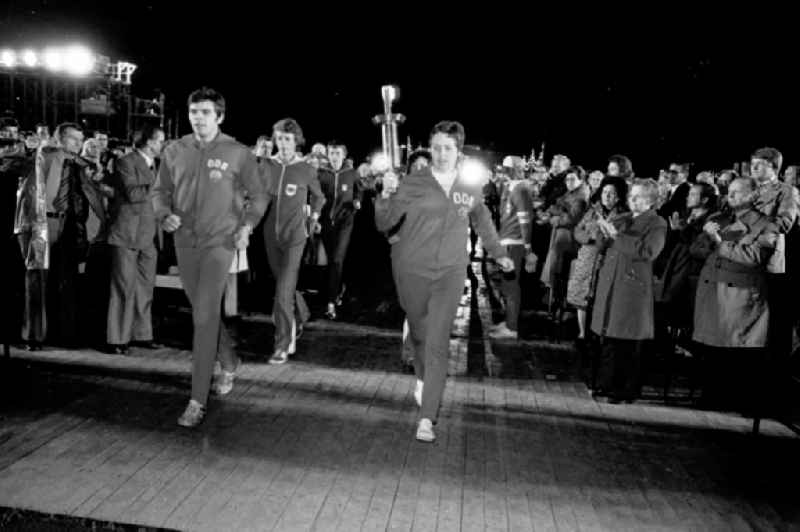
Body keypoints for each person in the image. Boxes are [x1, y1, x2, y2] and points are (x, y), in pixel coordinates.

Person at [376, 121, 513, 442]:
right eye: (436, 147)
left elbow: (482, 219)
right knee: (421, 335)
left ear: (458, 151)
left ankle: (427, 417)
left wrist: (497, 251)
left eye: (447, 148)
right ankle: (424, 379)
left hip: (450, 272)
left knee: (437, 341)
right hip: (411, 269)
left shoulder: (468, 186)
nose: (440, 153)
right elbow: (384, 222)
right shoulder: (413, 182)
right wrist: (385, 194)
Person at [153, 87, 268, 427]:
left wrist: (246, 225)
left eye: (205, 112)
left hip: (221, 244)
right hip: (185, 243)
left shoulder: (238, 152)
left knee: (203, 318)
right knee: (203, 311)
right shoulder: (175, 150)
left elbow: (259, 196)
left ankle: (196, 400)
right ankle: (229, 360)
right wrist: (164, 215)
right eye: (193, 112)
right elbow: (159, 192)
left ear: (219, 116)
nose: (198, 117)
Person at [692, 177, 777, 410]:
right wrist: (708, 240)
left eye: (738, 192)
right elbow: (696, 249)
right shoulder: (718, 219)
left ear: (753, 195)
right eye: (730, 192)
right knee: (712, 348)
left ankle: (731, 399)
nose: (731, 196)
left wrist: (719, 243)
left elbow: (754, 257)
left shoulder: (765, 225)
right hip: (713, 292)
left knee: (734, 349)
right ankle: (711, 396)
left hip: (739, 296)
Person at [591, 178, 667, 403]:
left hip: (632, 287)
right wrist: (602, 234)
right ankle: (606, 383)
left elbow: (648, 251)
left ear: (651, 201)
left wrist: (616, 236)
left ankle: (625, 389)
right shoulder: (622, 218)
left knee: (628, 341)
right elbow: (602, 248)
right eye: (631, 195)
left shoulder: (657, 223)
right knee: (610, 337)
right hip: (612, 283)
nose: (632, 200)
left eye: (638, 197)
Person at [261, 118, 324, 365]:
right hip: (270, 235)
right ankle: (302, 313)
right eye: (279, 139)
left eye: (288, 139)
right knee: (282, 287)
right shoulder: (267, 165)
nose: (283, 144)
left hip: (296, 236)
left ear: (296, 141)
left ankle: (283, 344)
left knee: (283, 292)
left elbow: (318, 198)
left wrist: (312, 220)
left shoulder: (306, 169)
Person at [106, 124, 165, 353]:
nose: (163, 145)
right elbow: (133, 194)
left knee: (145, 288)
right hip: (127, 234)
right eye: (160, 140)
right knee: (123, 288)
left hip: (149, 235)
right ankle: (117, 339)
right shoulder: (125, 162)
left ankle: (141, 334)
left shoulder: (158, 165)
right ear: (149, 142)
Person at [567, 180, 628, 340]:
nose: (607, 196)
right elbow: (577, 230)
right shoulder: (593, 211)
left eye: (611, 193)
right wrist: (588, 238)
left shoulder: (623, 215)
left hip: (606, 259)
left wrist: (605, 238)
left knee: (601, 296)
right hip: (587, 257)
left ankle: (599, 332)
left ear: (619, 197)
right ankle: (582, 332)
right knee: (582, 296)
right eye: (604, 192)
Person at [318, 140, 362, 319]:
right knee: (332, 261)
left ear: (344, 155)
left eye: (338, 153)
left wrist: (357, 201)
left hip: (345, 222)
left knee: (337, 259)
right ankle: (338, 287)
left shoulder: (351, 173)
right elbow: (314, 195)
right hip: (327, 222)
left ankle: (330, 302)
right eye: (331, 153)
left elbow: (359, 191)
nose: (334, 157)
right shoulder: (321, 173)